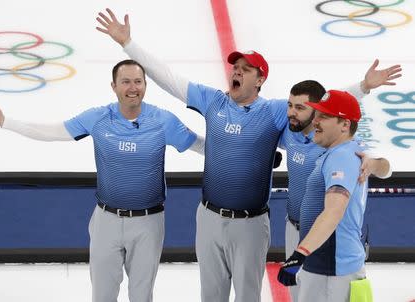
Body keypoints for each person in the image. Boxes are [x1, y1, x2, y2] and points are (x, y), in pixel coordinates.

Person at [95, 8, 401, 302]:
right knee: (210, 295)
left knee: (248, 296)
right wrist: (128, 44)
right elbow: (169, 78)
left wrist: (363, 87)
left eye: (245, 69)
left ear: (260, 80)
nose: (236, 72)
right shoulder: (213, 101)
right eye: (235, 67)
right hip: (209, 218)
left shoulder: (274, 112)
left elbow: (318, 108)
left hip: (252, 224)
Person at [0, 59, 204, 302]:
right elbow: (52, 132)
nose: (133, 87)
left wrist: (244, 145)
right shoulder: (98, 118)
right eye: (126, 82)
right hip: (106, 222)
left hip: (148, 224)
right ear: (114, 86)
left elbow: (201, 146)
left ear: (145, 85)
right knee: (102, 296)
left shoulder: (163, 121)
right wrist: (5, 122)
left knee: (142, 296)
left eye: (138, 81)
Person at [279, 80, 394, 301]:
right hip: (327, 265)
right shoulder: (345, 151)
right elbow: (385, 167)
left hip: (331, 270)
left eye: (324, 117)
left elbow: (334, 212)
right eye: (317, 115)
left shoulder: (340, 158)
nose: (316, 122)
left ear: (344, 125)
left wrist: (299, 255)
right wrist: (375, 163)